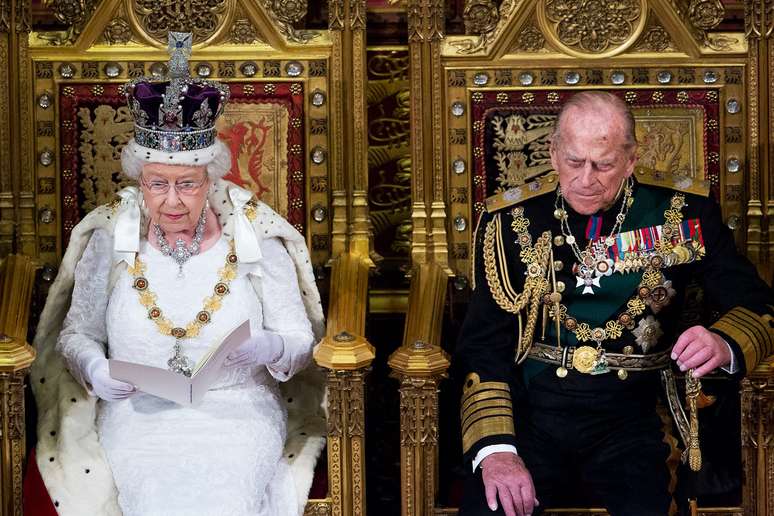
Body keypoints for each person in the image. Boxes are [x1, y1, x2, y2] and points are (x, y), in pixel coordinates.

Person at [30, 33, 325, 516]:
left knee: (226, 496)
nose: (171, 200)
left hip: (238, 412)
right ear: (139, 181)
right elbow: (76, 333)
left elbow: (298, 338)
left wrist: (269, 347)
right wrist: (97, 371)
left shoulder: (255, 237)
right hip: (137, 415)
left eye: (187, 184)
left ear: (212, 179)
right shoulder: (109, 237)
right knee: (156, 495)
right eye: (157, 184)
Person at [455, 91, 773, 516]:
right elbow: (483, 346)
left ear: (631, 159)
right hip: (534, 409)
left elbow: (758, 306)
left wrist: (722, 343)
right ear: (552, 152)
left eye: (603, 164)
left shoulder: (681, 215)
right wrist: (496, 451)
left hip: (635, 415)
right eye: (574, 161)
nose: (587, 179)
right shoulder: (511, 223)